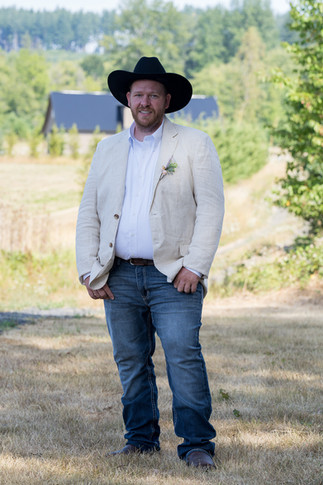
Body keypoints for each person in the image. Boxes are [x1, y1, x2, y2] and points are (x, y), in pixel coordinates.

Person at [76, 57, 224, 469]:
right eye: (138, 94)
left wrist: (195, 266)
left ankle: (196, 444)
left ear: (167, 100)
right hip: (118, 274)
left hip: (173, 274)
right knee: (130, 360)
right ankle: (140, 439)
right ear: (127, 98)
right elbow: (89, 211)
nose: (145, 101)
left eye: (153, 95)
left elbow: (211, 209)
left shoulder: (194, 144)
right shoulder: (107, 149)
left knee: (182, 354)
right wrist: (89, 268)